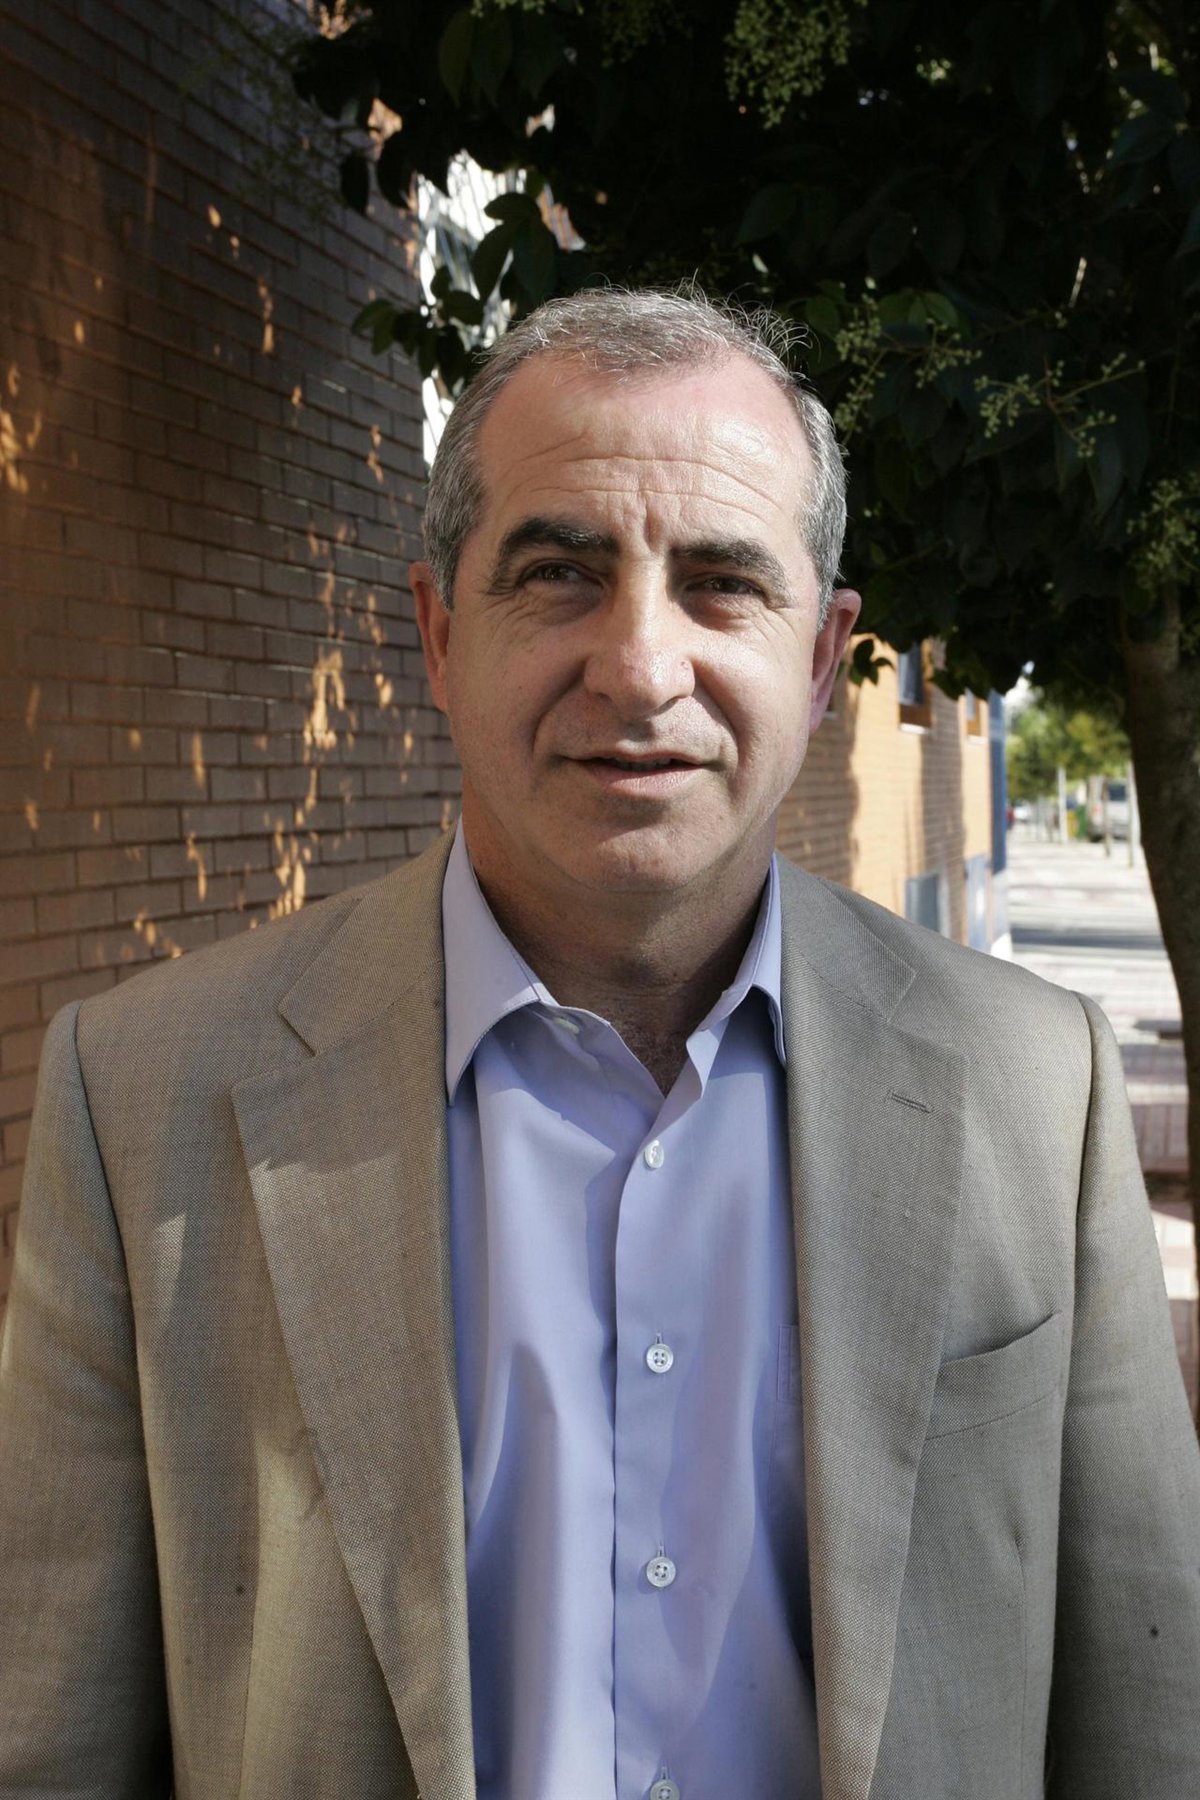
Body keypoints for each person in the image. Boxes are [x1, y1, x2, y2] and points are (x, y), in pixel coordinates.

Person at [1, 287, 1197, 1800]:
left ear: (823, 659)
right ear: (441, 636)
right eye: (558, 573)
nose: (639, 667)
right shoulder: (139, 1100)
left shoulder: (1041, 1087)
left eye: (722, 582)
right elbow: (49, 1742)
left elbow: (1152, 1715)